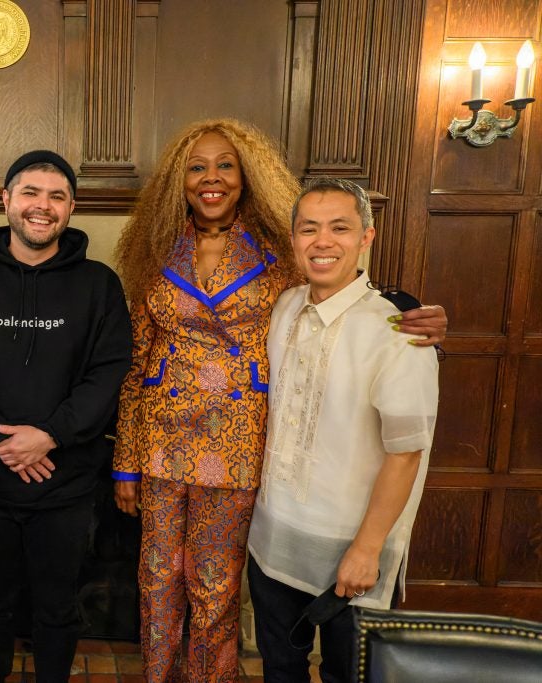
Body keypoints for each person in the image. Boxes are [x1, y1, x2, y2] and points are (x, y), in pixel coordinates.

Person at [110, 119, 447, 682]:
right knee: (157, 580)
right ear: (179, 180)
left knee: (215, 586)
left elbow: (347, 295)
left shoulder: (278, 254)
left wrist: (420, 317)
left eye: (225, 166)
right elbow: (136, 360)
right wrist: (124, 460)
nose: (211, 177)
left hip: (242, 449)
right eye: (197, 166)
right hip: (161, 448)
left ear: (247, 179)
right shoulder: (154, 249)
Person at [0, 150, 132, 683]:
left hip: (64, 485)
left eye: (57, 196)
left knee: (57, 608)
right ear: (6, 201)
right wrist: (7, 445)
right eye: (30, 193)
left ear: (71, 208)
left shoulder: (100, 286)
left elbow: (107, 375)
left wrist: (49, 436)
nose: (42, 206)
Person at [246, 178, 439, 682]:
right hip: (273, 539)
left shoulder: (398, 330)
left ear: (366, 237)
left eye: (339, 228)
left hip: (350, 552)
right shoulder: (284, 306)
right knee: (280, 669)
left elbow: (406, 453)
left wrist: (367, 549)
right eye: (309, 229)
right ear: (293, 240)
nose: (323, 242)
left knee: (347, 675)